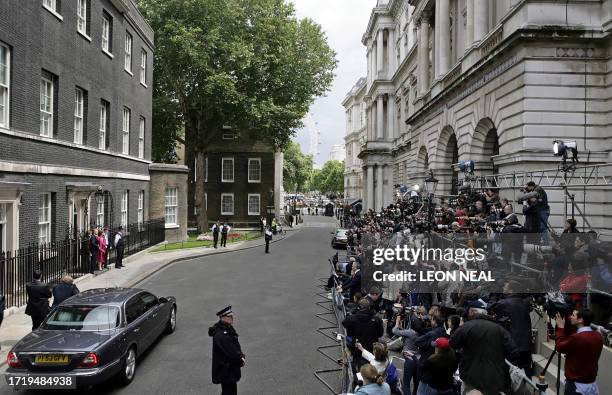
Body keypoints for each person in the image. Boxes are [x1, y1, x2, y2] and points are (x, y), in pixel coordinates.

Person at [449, 301, 518, 395]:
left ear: (472, 312)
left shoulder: (467, 326)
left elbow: (453, 343)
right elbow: (514, 352)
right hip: (495, 379)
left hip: (471, 379)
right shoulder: (499, 329)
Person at [555, 309, 604, 395]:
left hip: (576, 386)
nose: (570, 317)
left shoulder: (577, 338)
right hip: (592, 384)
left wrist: (560, 327)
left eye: (573, 315)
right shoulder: (598, 336)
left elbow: (559, 347)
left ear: (580, 320)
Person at [492, 281, 534, 376]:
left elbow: (491, 308)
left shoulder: (504, 303)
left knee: (510, 372)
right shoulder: (526, 303)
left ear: (511, 290)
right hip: (526, 344)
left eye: (505, 286)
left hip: (512, 344)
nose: (503, 287)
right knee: (526, 371)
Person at [208, 306, 245, 395]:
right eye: (230, 316)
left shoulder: (227, 328)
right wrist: (240, 360)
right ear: (223, 317)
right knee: (229, 392)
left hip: (228, 370)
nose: (232, 318)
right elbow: (231, 352)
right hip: (226, 371)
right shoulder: (221, 334)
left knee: (229, 391)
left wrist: (241, 355)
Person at [342, 298, 384, 369]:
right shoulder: (377, 319)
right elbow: (380, 334)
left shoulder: (353, 318)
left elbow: (344, 323)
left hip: (357, 348)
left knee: (357, 367)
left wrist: (355, 312)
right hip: (372, 348)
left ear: (359, 308)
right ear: (369, 307)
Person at [392, 313, 420, 395]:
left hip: (409, 359)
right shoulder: (423, 332)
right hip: (419, 359)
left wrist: (397, 322)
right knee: (416, 383)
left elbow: (394, 331)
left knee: (406, 384)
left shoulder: (410, 332)